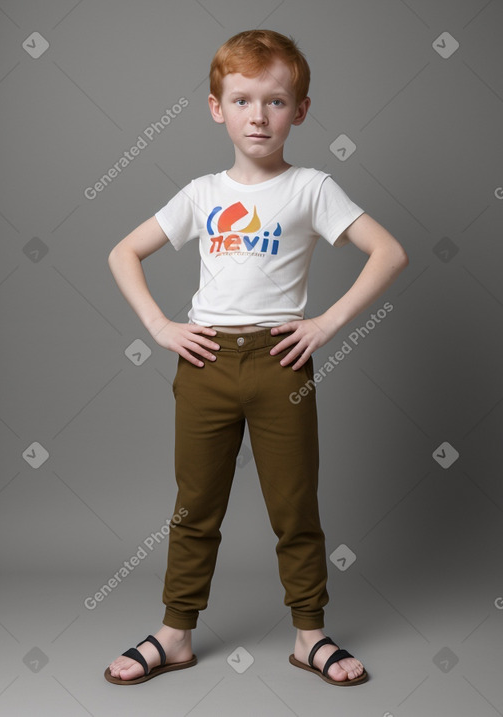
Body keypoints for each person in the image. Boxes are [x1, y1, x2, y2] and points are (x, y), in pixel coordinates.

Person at [104, 28, 408, 687]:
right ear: (217, 108)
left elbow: (389, 252)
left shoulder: (311, 188)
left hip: (280, 365)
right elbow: (122, 252)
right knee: (195, 506)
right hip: (207, 363)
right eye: (242, 100)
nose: (258, 115)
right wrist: (160, 325)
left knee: (295, 505)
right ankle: (175, 633)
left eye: (275, 101)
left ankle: (310, 634)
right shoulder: (203, 194)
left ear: (299, 110)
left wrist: (326, 322)